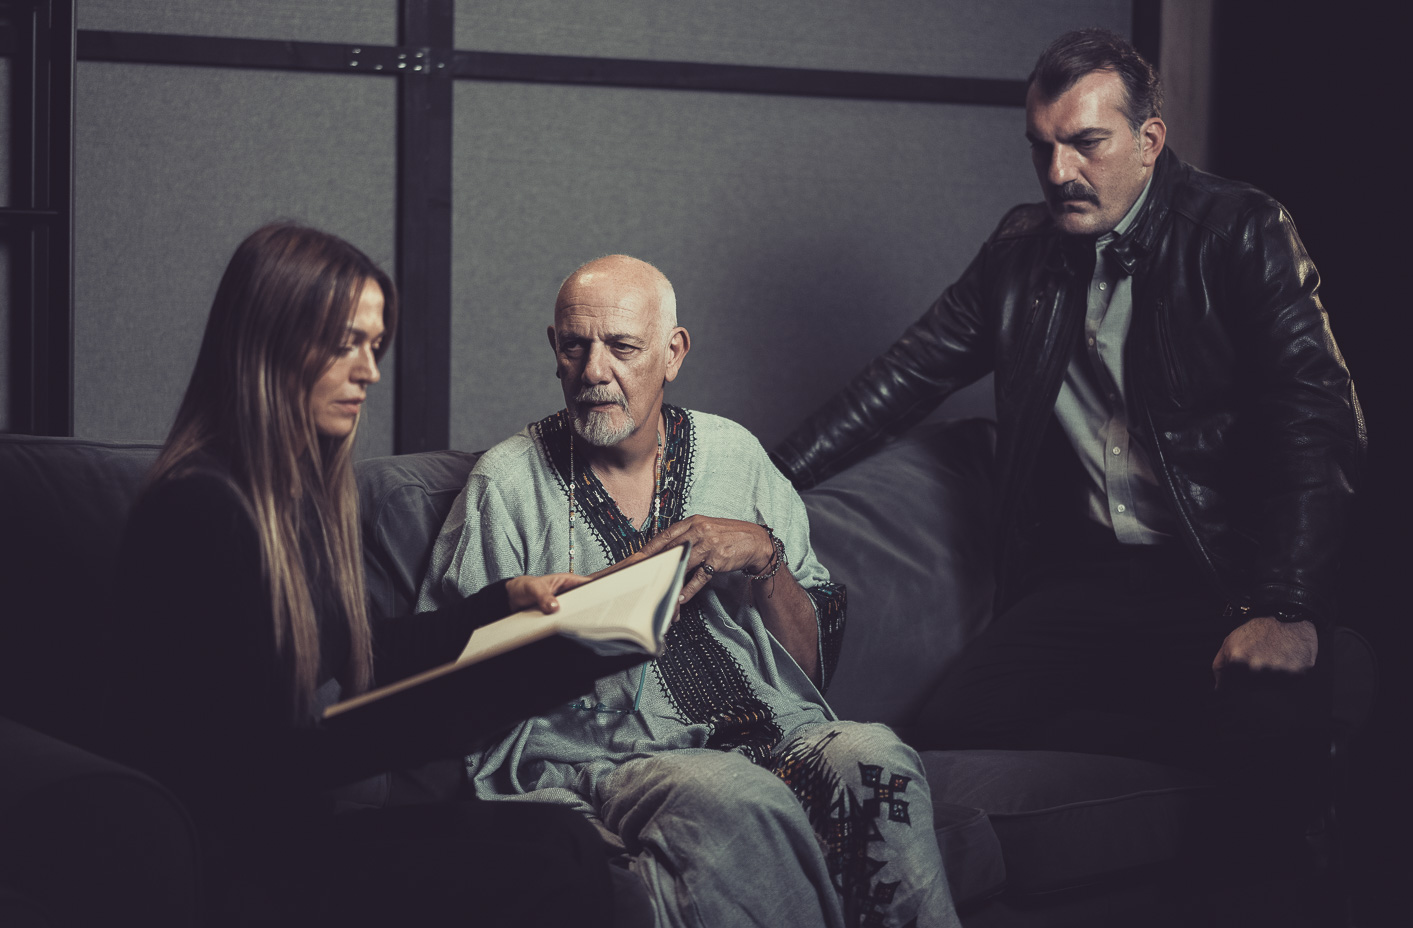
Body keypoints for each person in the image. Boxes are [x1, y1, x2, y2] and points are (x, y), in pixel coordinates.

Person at [772, 29, 1363, 841]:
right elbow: (898, 383)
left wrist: (1287, 605)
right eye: (1041, 147)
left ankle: (1312, 691)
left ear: (1149, 141)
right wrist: (754, 481)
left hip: (1222, 572)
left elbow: (1316, 416)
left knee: (1268, 746)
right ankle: (1195, 737)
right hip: (1085, 577)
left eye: (1087, 143)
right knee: (954, 727)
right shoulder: (1020, 254)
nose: (1058, 173)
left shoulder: (1238, 230)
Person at [418, 254, 959, 927]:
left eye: (622, 347)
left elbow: (811, 670)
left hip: (779, 733)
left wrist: (763, 554)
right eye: (575, 346)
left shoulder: (737, 455)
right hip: (617, 757)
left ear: (673, 353)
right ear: (554, 348)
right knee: (738, 798)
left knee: (878, 757)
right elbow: (447, 684)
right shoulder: (507, 485)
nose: (593, 371)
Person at [108, 223, 617, 927]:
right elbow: (253, 761)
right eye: (346, 343)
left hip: (291, 836)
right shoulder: (199, 510)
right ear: (271, 341)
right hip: (238, 862)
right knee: (552, 863)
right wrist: (470, 707)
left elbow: (358, 651)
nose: (369, 372)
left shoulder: (292, 498)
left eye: (374, 347)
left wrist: (504, 604)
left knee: (567, 842)